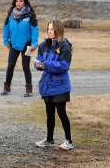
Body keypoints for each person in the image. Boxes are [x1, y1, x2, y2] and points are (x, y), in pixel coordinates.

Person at [34, 20, 74, 150]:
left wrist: (47, 65)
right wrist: (38, 65)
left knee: (61, 112)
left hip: (60, 85)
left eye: (52, 29)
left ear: (58, 30)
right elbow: (39, 60)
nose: (50, 32)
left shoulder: (64, 46)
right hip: (47, 85)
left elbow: (64, 66)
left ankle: (69, 141)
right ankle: (49, 140)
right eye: (49, 29)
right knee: (49, 112)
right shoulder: (43, 45)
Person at [2, 0, 39, 97]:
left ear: (25, 2)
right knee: (10, 66)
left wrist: (34, 44)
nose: (18, 3)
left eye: (21, 1)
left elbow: (35, 31)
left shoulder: (31, 15)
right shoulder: (10, 15)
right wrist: (6, 41)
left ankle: (29, 89)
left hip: (26, 45)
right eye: (17, 1)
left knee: (25, 67)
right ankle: (7, 87)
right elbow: (5, 29)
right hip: (14, 45)